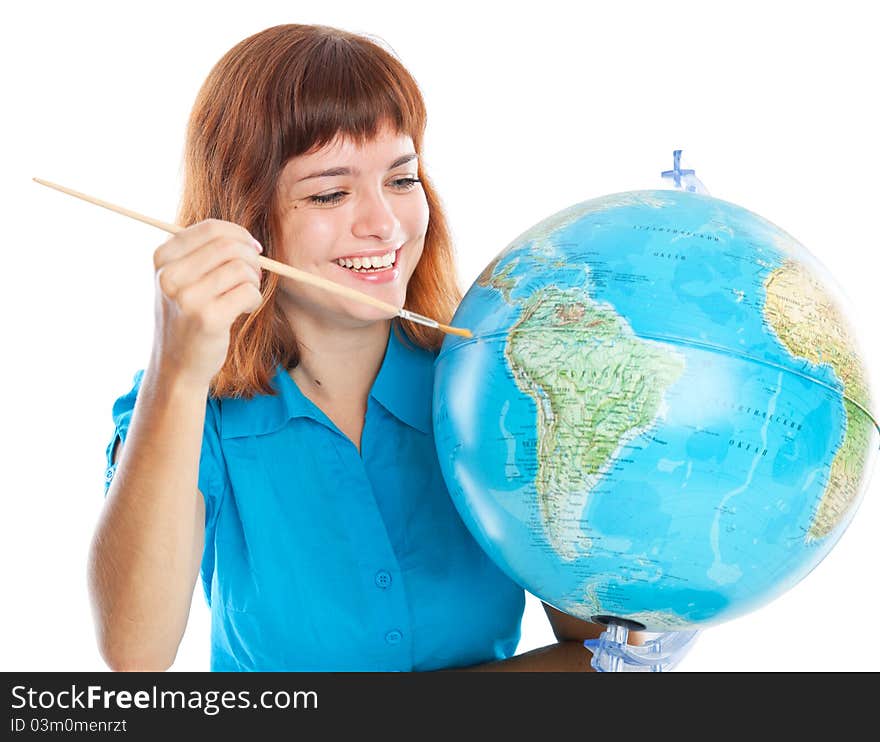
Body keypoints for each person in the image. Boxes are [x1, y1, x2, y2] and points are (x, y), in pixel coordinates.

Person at [88, 23, 613, 672]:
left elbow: (605, 653)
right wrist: (176, 368)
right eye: (330, 193)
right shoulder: (187, 406)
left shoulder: (497, 386)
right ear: (244, 218)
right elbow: (134, 656)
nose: (384, 225)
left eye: (402, 179)